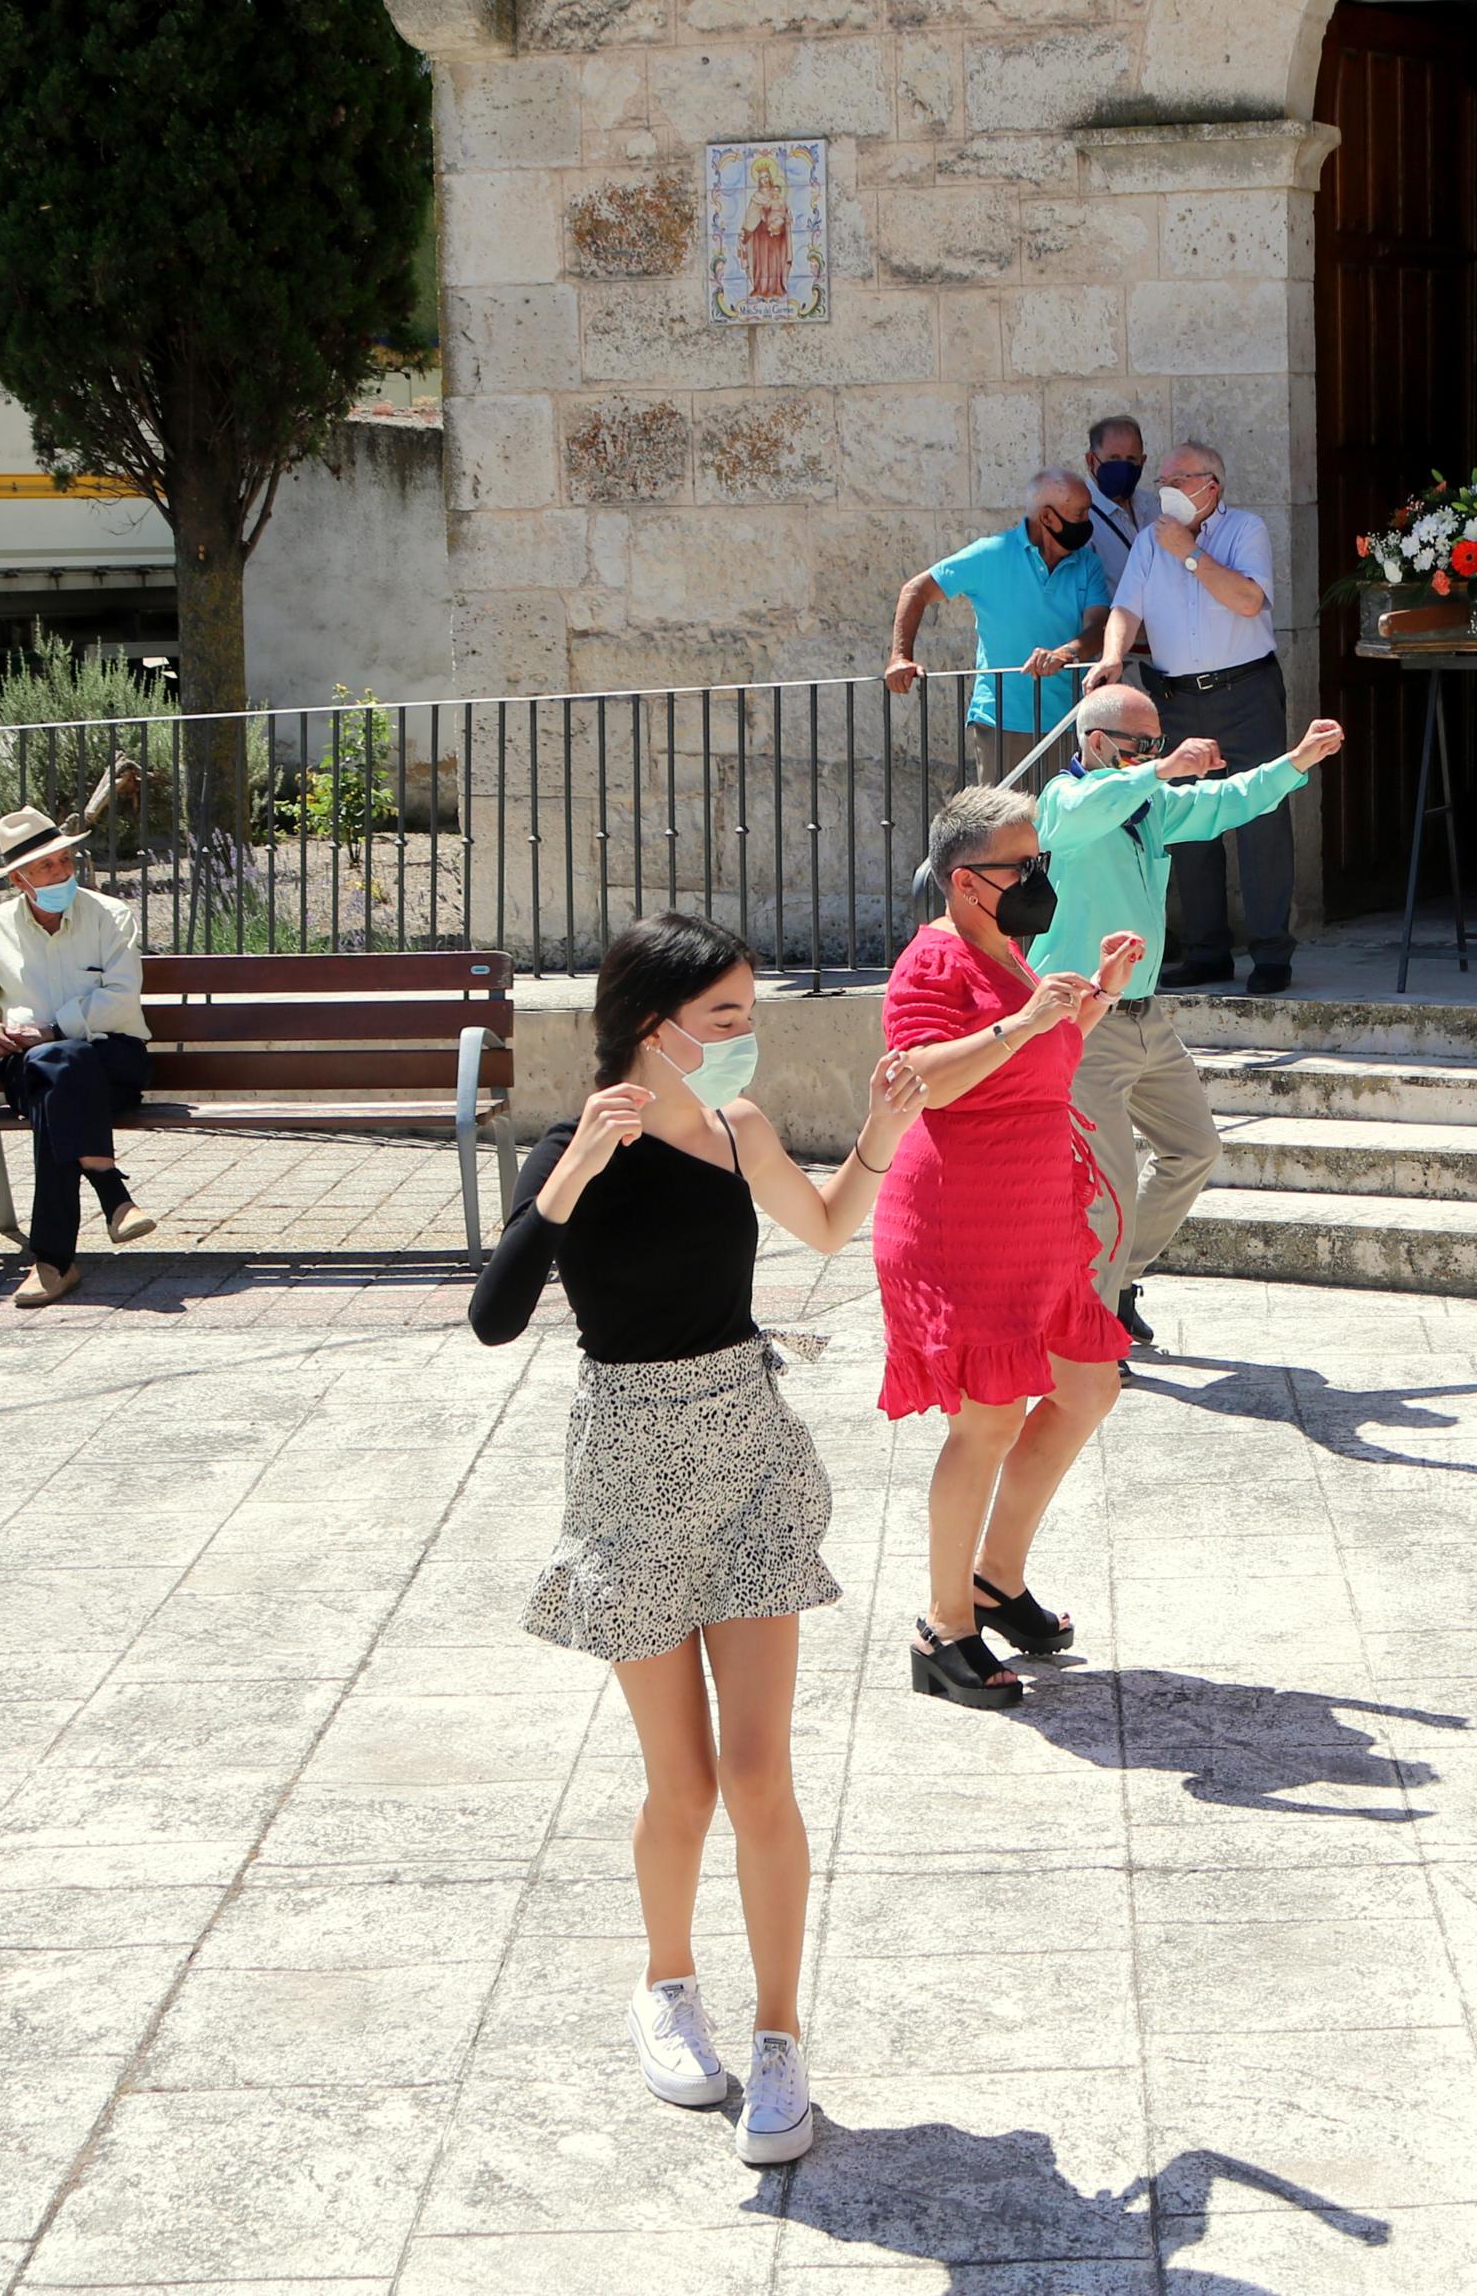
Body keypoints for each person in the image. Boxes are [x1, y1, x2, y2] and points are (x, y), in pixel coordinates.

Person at [471, 913, 935, 2169]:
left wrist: (883, 1133)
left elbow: (828, 1228)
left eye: (748, 1014)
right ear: (648, 1024)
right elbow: (494, 1315)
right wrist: (568, 1174)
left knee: (757, 1776)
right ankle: (666, 1986)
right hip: (625, 1461)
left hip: (747, 1448)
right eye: (723, 1017)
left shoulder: (740, 1129)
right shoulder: (578, 1148)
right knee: (678, 1783)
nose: (746, 1037)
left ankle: (781, 2037)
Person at [873, 787, 1148, 1707]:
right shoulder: (931, 961)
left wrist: (1093, 1001)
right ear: (965, 881)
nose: (1039, 879)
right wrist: (1024, 1021)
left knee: (1086, 1385)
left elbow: (1035, 1060)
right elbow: (923, 1082)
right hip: (960, 1220)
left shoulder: (1009, 952)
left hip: (1030, 1213)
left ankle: (996, 1576)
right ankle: (943, 1626)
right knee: (985, 1420)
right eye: (1021, 867)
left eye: (1041, 863)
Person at [1041, 683, 1348, 1347]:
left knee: (1194, 1150)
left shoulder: (1146, 802)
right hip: (1083, 1023)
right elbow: (1087, 808)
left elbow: (1220, 802)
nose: (1154, 752)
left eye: (1157, 741)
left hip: (1147, 1018)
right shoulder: (1062, 800)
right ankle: (1086, 1333)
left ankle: (1117, 1283)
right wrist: (1164, 766)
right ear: (1095, 744)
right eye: (1140, 744)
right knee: (1109, 1183)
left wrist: (1294, 761)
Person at [1087, 442, 1293, 993]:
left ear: (1211, 486)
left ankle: (1271, 952)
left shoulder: (1244, 529)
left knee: (1262, 818)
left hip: (1245, 691)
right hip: (1176, 698)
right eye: (1163, 478)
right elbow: (1125, 608)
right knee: (1185, 822)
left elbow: (1249, 601)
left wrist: (1191, 553)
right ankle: (1207, 951)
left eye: (1178, 478)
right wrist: (1112, 655)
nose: (1165, 487)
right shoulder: (1151, 542)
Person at [0, 804, 154, 1310]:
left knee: (60, 1065)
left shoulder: (110, 916)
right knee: (56, 1072)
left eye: (64, 860)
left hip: (111, 1060)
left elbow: (121, 998)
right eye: (45, 867)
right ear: (18, 879)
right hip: (29, 1064)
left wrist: (52, 1030)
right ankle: (109, 1193)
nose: (61, 873)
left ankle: (55, 1261)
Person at [887, 468, 1111, 784]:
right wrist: (900, 657)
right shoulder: (991, 553)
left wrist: (1064, 653)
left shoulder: (1088, 564)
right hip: (1004, 721)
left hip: (1070, 720)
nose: (1089, 521)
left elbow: (1099, 626)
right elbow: (916, 590)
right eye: (1081, 513)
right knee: (1005, 828)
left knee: (1061, 830)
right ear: (1047, 517)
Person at [1078, 415, 1150, 583]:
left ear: (1142, 461)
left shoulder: (1153, 506)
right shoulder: (1077, 515)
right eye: (1114, 458)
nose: (1123, 468)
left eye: (1131, 459)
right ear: (1091, 460)